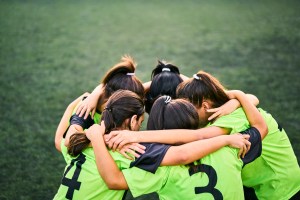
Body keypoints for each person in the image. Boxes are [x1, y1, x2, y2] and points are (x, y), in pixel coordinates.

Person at [86, 89, 267, 199]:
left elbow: (115, 180)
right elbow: (260, 127)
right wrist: (238, 95)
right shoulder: (233, 147)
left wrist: (99, 138)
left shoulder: (160, 167)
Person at [174, 71, 300, 200]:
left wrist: (152, 135)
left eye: (188, 109)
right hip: (261, 183)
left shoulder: (230, 119)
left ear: (205, 105)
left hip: (279, 189)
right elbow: (200, 84)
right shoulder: (219, 104)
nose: (186, 114)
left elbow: (199, 136)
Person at [53, 90, 146, 200]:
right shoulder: (128, 153)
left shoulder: (81, 140)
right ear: (133, 120)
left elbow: (59, 141)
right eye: (141, 123)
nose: (140, 127)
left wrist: (88, 97)